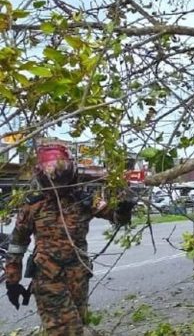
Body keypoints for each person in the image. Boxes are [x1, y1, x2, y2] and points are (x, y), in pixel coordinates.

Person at [4, 144, 134, 336]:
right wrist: (12, 281)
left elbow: (117, 219)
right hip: (48, 277)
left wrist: (124, 208)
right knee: (65, 331)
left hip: (78, 275)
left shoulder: (84, 200)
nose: (56, 178)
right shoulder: (34, 206)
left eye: (61, 171)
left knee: (77, 325)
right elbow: (17, 243)